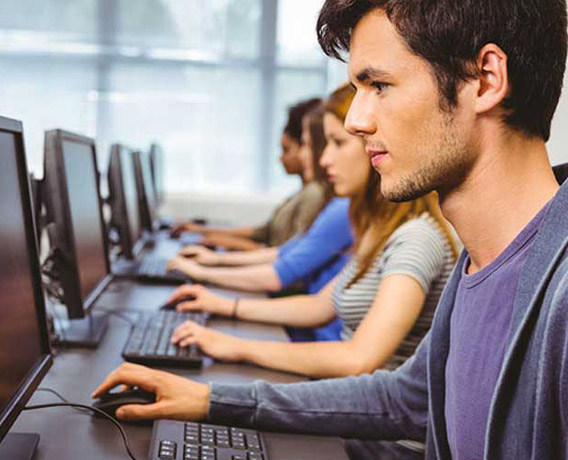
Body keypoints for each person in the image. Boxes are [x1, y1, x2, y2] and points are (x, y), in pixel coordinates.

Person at [94, 1, 568, 459]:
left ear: (485, 80)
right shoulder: (480, 261)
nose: (357, 121)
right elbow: (404, 401)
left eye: (379, 85)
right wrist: (211, 401)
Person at [165, 84, 458, 382]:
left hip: (366, 415)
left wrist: (236, 347)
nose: (323, 159)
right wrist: (222, 305)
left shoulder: (417, 239)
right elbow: (319, 306)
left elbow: (358, 359)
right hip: (341, 392)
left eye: (338, 144)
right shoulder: (380, 229)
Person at [168, 104, 353, 342]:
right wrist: (214, 263)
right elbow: (282, 253)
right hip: (310, 332)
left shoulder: (341, 209)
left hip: (313, 338)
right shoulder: (339, 206)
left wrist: (207, 272)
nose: (319, 157)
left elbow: (282, 272)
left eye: (307, 145)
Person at [173, 98, 326, 251]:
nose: (280, 158)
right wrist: (200, 231)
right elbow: (263, 233)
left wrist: (236, 245)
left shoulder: (314, 194)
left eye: (286, 149)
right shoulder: (301, 193)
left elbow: (290, 259)